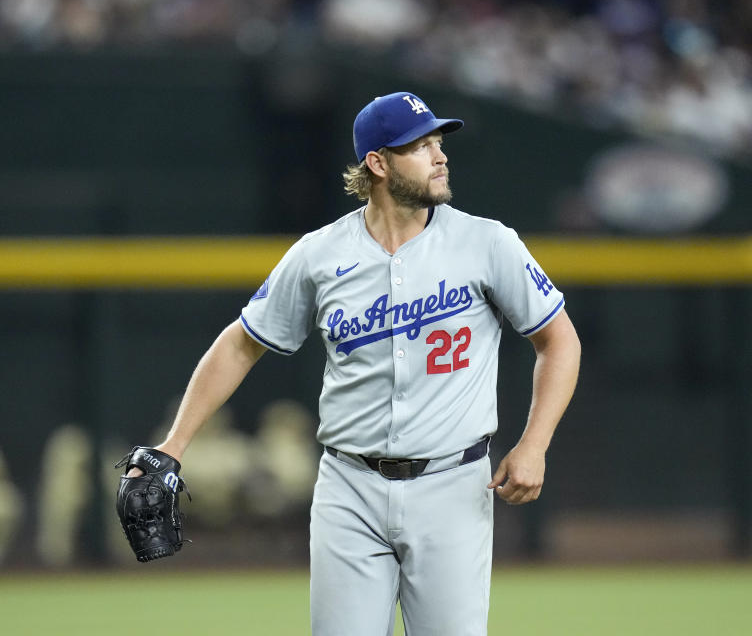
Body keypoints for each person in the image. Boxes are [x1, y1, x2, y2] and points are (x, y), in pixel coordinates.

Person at [120, 91, 581, 635]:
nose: (440, 156)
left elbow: (560, 341)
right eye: (421, 145)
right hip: (348, 487)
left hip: (454, 485)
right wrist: (173, 444)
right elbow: (241, 343)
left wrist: (534, 443)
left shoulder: (487, 243)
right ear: (378, 163)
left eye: (439, 142)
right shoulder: (319, 253)